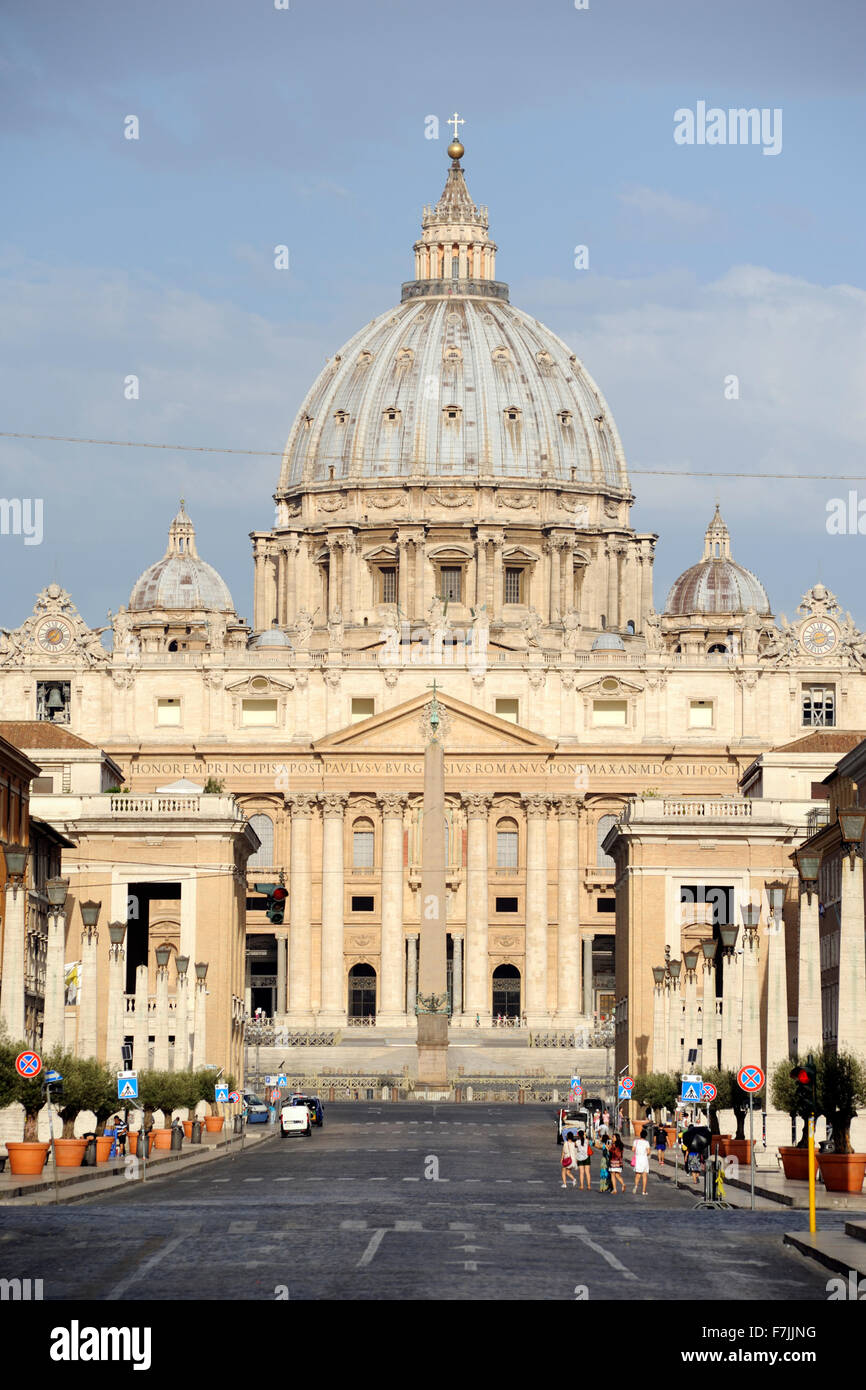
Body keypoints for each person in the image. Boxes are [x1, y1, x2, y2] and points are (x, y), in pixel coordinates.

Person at [633, 1127, 651, 1195]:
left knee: (637, 1175)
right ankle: (643, 1191)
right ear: (646, 1136)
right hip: (644, 1159)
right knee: (644, 1175)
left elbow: (633, 1149)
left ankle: (636, 1186)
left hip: (638, 1159)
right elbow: (648, 1152)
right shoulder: (646, 1142)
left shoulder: (636, 1141)